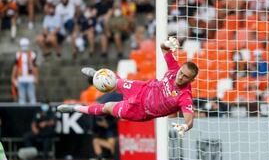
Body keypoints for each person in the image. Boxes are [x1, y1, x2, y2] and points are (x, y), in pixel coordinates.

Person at [58, 37, 198, 136]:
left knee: (107, 107)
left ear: (191, 80)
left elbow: (189, 119)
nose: (180, 76)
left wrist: (185, 126)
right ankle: (97, 75)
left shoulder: (184, 96)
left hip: (140, 110)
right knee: (114, 81)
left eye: (185, 76)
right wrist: (168, 43)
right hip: (142, 88)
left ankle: (75, 108)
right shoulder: (174, 70)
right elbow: (163, 47)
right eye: (181, 72)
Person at [11, 38, 39, 104]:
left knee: (32, 97)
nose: (24, 47)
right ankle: (22, 112)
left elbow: (35, 67)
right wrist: (13, 77)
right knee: (21, 98)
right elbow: (15, 66)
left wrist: (36, 77)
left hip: (30, 79)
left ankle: (33, 111)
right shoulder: (18, 55)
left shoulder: (32, 54)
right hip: (21, 79)